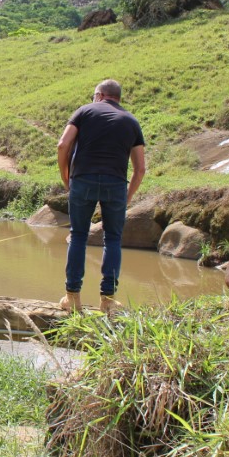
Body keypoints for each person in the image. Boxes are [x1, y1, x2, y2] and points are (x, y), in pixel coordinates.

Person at [57, 79, 146, 314]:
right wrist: (127, 197)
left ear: (99, 95)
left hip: (83, 180)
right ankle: (107, 300)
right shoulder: (131, 121)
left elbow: (62, 144)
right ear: (117, 97)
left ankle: (72, 297)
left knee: (78, 236)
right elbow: (140, 168)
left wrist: (66, 178)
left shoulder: (84, 111)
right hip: (115, 184)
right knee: (113, 239)